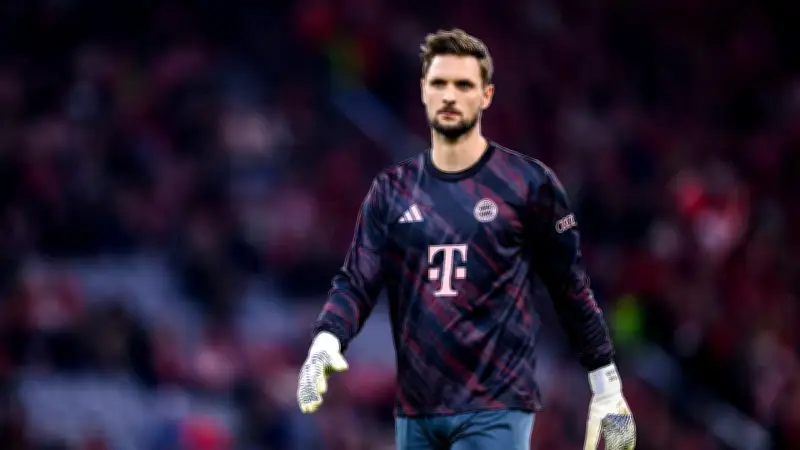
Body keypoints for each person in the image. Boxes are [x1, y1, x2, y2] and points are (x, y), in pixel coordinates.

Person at [297, 28, 636, 450]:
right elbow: (357, 280)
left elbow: (571, 288)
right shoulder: (391, 190)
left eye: (464, 85)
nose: (450, 96)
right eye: (439, 83)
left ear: (486, 95)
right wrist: (327, 338)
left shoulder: (529, 184)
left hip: (495, 404)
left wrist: (606, 381)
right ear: (424, 91)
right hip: (417, 408)